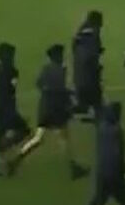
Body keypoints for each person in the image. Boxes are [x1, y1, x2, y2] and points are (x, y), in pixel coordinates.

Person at [8, 44, 89, 180]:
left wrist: (50, 92)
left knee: (38, 138)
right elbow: (60, 91)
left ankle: (17, 158)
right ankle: (73, 169)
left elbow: (39, 84)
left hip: (45, 108)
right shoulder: (61, 70)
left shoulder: (46, 69)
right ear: (57, 56)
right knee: (64, 138)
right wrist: (71, 97)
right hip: (57, 110)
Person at [0, 43, 31, 178]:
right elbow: (8, 92)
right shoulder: (9, 71)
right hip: (6, 109)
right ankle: (1, 157)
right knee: (24, 130)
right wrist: (11, 112)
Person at [87, 102, 125, 205]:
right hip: (114, 175)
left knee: (98, 202)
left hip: (101, 173)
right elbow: (118, 155)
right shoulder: (118, 131)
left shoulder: (101, 128)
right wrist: (123, 169)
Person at [72, 11, 106, 122]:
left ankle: (82, 108)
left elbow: (76, 49)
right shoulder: (93, 36)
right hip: (88, 78)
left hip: (79, 76)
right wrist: (98, 68)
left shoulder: (81, 33)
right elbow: (90, 59)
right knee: (97, 102)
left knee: (86, 99)